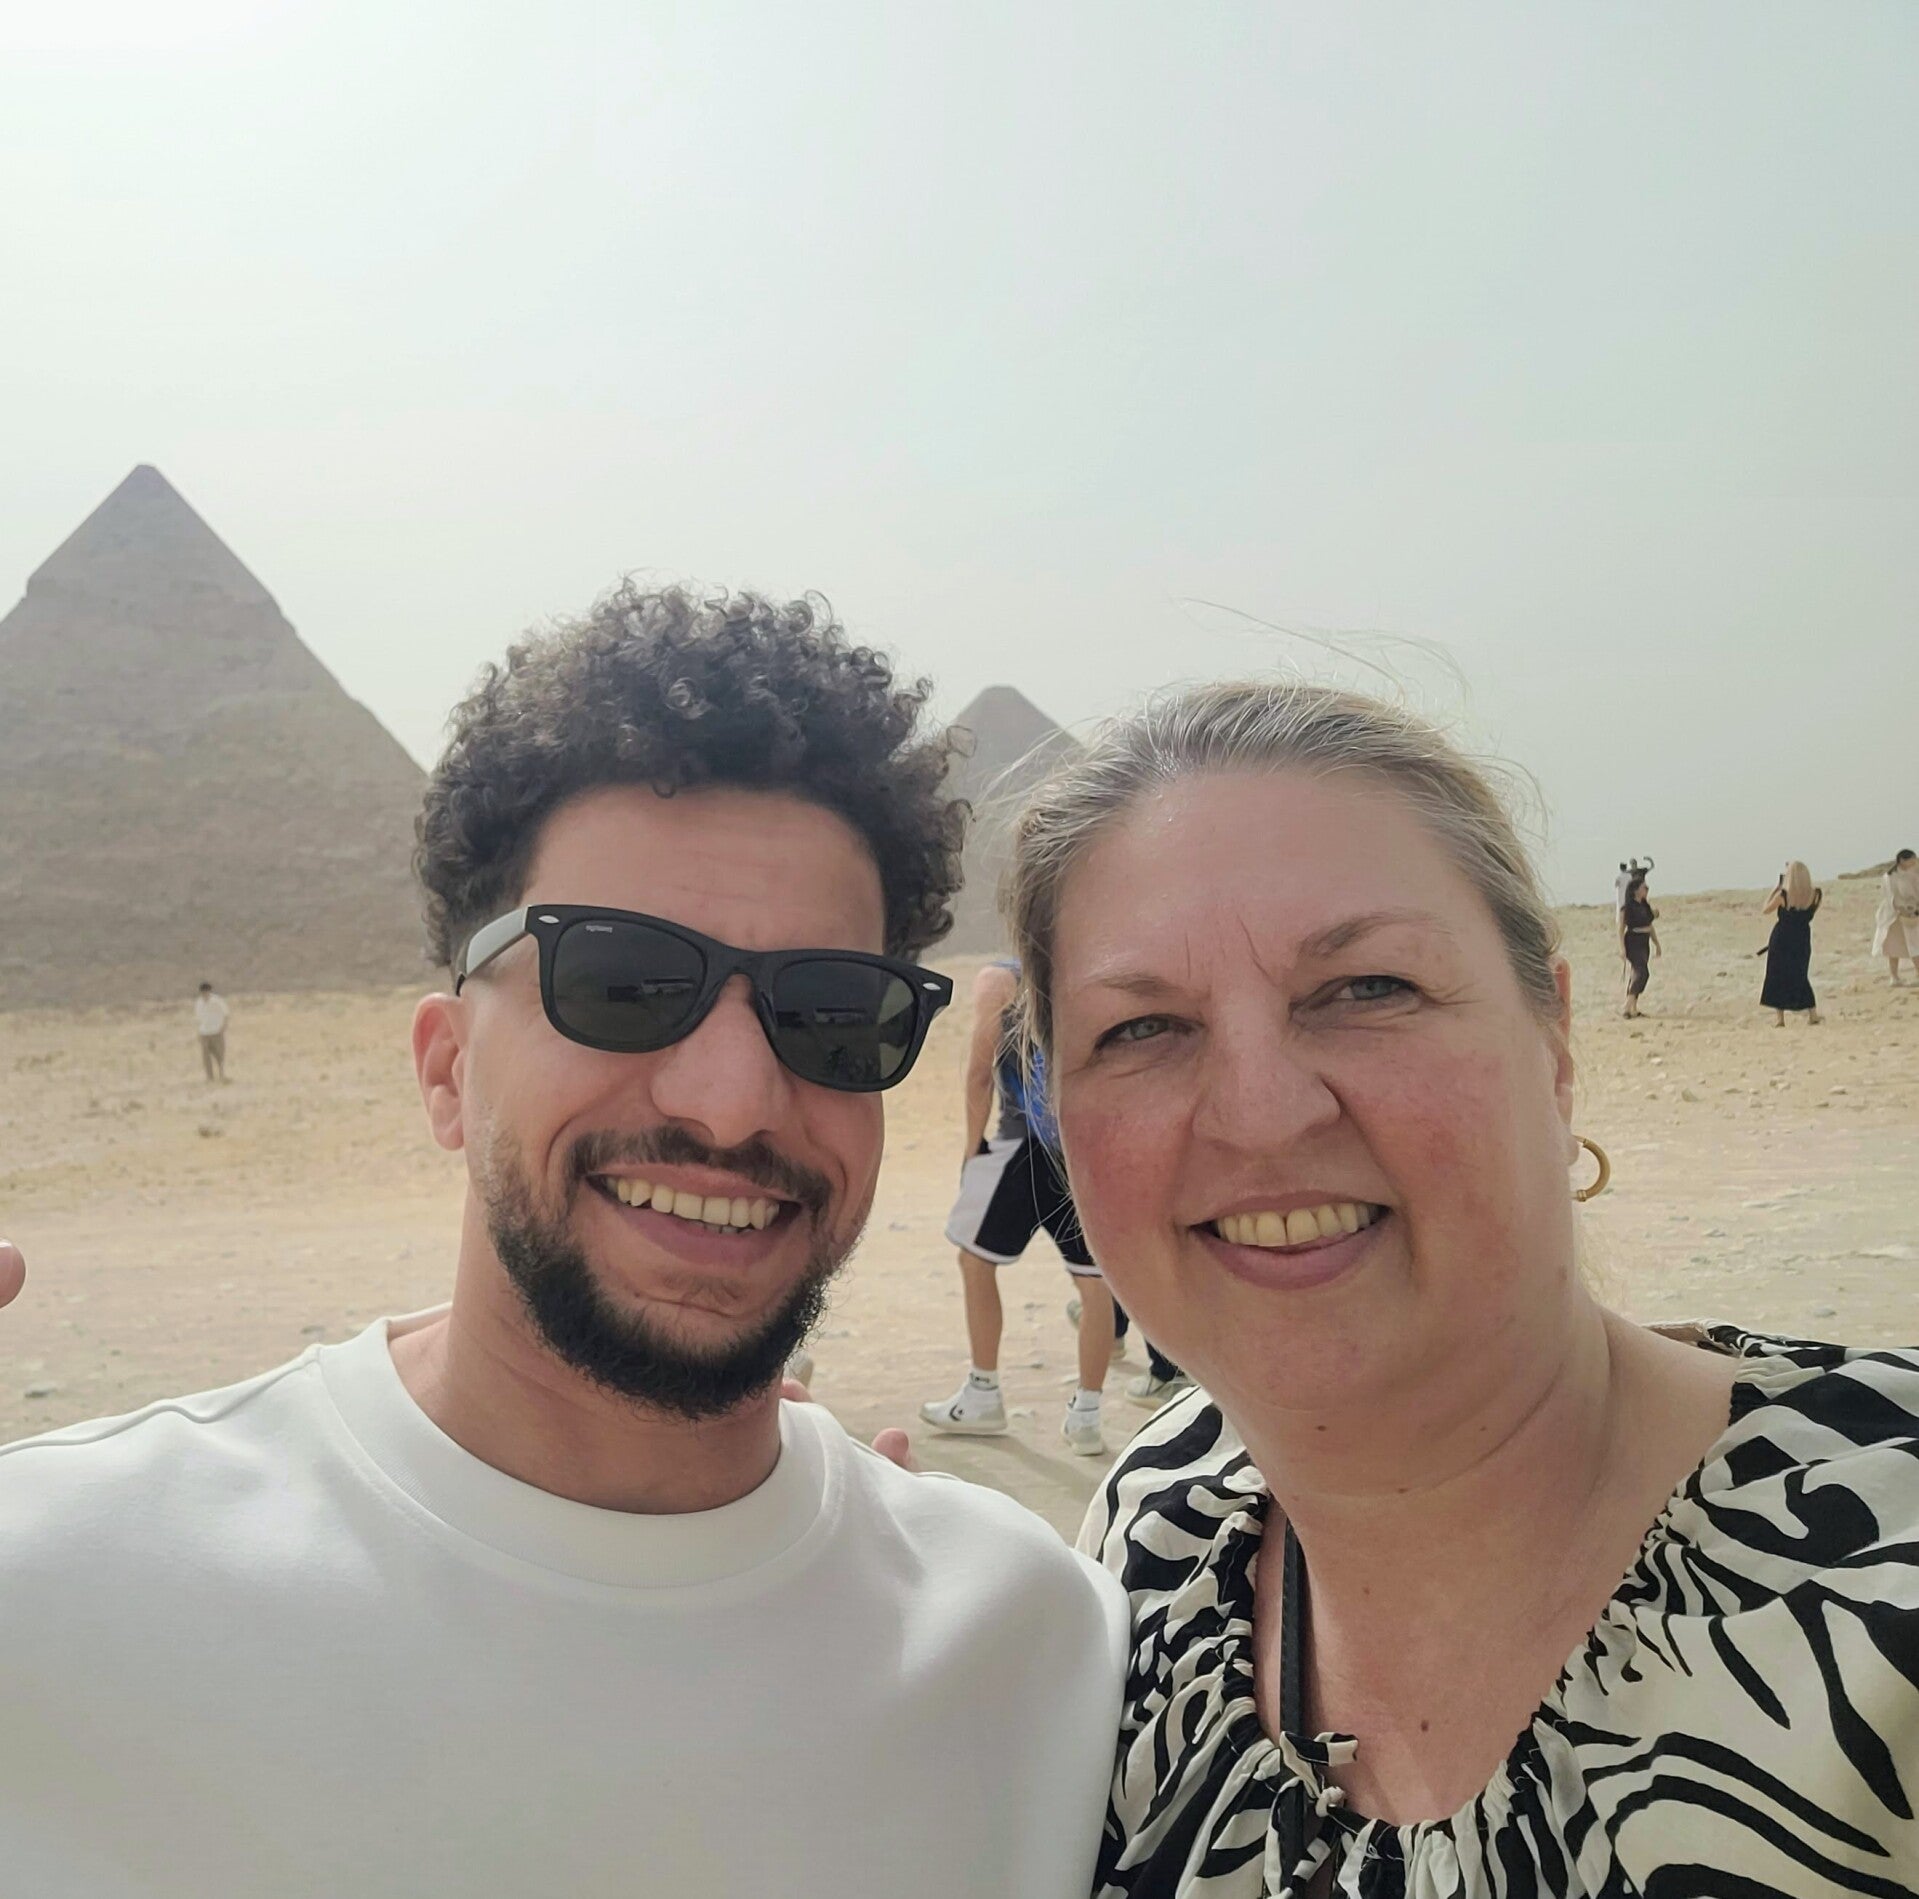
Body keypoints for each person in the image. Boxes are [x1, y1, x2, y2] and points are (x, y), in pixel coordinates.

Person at [0, 586, 1128, 1899]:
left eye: (832, 1010)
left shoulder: (1034, 1649)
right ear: (446, 1069)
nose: (730, 1101)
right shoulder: (57, 1594)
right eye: (619, 981)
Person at [1000, 681, 1919, 1894]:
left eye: (1365, 989)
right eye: (1141, 1029)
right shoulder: (1151, 1534)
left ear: (1552, 1042)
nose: (1260, 1115)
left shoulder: (1881, 1563)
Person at [919, 958, 1118, 1453]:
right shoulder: (1086, 973)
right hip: (1084, 1152)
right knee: (1094, 1283)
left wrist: (972, 1149)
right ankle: (1087, 1416)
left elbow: (979, 1073)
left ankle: (983, 1392)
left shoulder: (1001, 979)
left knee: (974, 1261)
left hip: (1023, 1147)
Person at [1761, 858, 1823, 1025]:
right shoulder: (1815, 895)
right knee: (1800, 975)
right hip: (1801, 939)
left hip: (1782, 938)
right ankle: (1812, 1014)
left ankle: (1780, 1018)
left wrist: (1776, 889)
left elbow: (1765, 909)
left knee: (1777, 975)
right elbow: (1810, 913)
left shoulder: (1784, 896)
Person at [1873, 847, 1919, 984]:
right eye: (1912, 860)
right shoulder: (1889, 877)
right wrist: (1901, 909)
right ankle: (1894, 977)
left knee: (1915, 944)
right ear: (1902, 861)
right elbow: (1890, 897)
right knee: (1893, 946)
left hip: (1912, 913)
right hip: (1893, 915)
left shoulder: (1914, 873)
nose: (1914, 863)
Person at [1617, 869, 1659, 1017]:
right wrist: (1621, 948)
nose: (1647, 890)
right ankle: (1626, 1006)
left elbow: (1650, 925)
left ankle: (1633, 1009)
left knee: (1637, 973)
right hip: (1633, 941)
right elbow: (1620, 928)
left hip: (1644, 942)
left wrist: (1656, 943)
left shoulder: (1645, 906)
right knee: (1642, 972)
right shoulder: (1627, 907)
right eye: (1644, 888)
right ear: (1636, 890)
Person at [193, 980, 230, 1081]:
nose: (204, 994)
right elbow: (199, 1019)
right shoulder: (199, 1003)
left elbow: (226, 1013)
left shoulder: (217, 1001)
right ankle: (210, 1077)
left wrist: (223, 1027)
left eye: (206, 992)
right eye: (203, 992)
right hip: (204, 1033)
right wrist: (199, 1032)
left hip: (216, 1032)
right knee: (206, 1057)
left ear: (209, 991)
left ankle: (222, 1075)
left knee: (219, 1055)